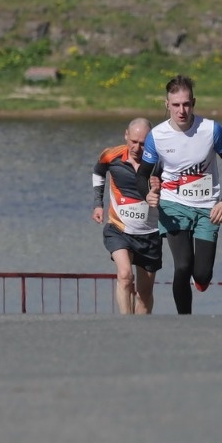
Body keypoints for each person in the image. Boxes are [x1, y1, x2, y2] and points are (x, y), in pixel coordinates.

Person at [136, 75, 222, 315]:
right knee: (182, 266)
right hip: (173, 205)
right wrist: (147, 195)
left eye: (186, 104)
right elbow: (142, 174)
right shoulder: (157, 136)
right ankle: (185, 321)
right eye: (176, 105)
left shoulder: (211, 130)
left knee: (202, 274)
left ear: (193, 102)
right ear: (167, 105)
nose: (181, 110)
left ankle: (201, 279)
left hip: (207, 208)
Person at [92, 118, 162, 314]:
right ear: (126, 136)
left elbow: (176, 190)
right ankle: (126, 323)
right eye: (133, 141)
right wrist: (98, 204)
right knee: (125, 276)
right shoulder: (111, 155)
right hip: (119, 229)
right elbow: (98, 172)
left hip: (149, 233)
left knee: (144, 293)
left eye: (143, 143)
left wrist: (160, 191)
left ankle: (141, 331)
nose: (137, 148)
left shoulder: (160, 162)